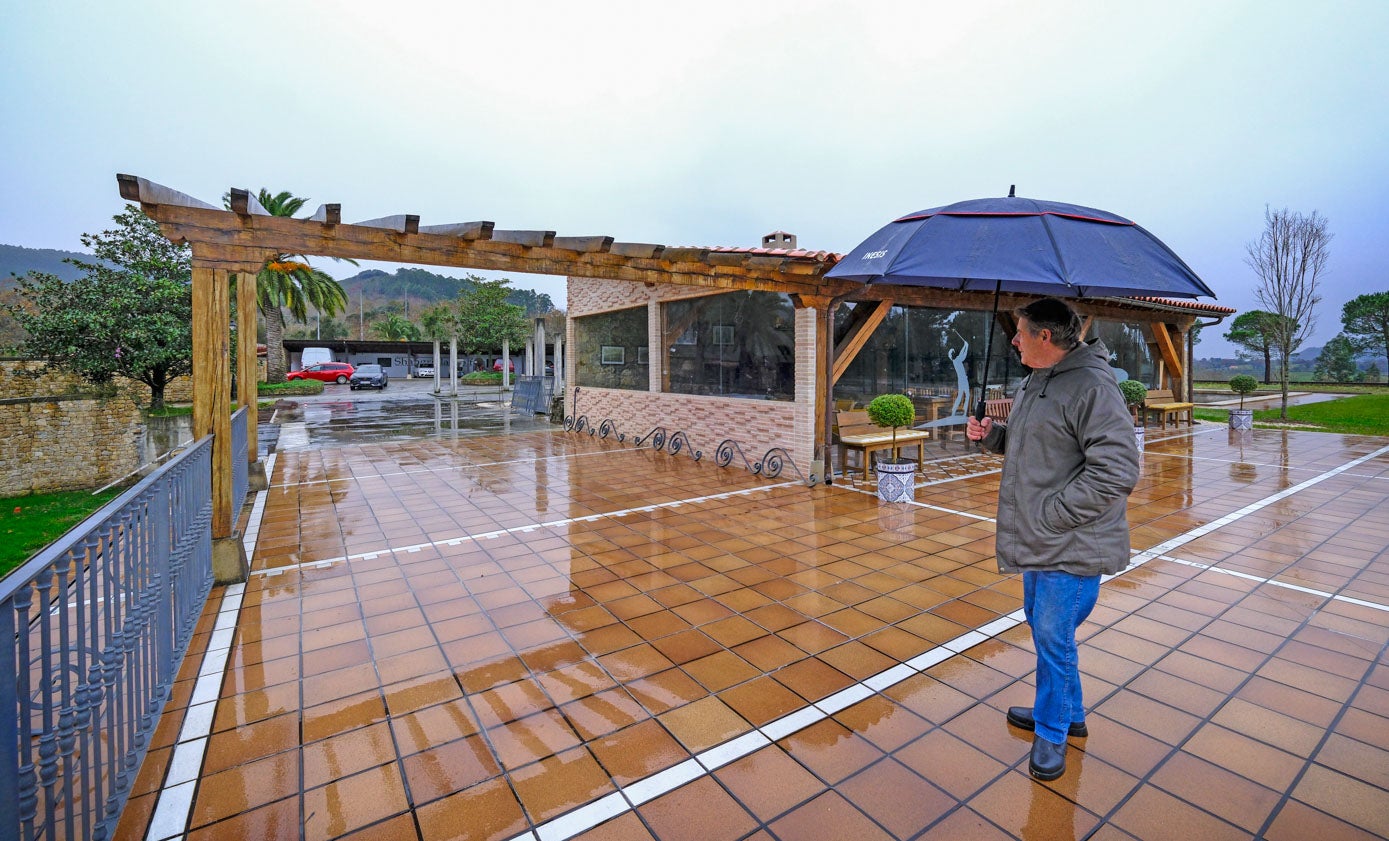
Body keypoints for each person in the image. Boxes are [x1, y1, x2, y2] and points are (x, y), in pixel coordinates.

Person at [966, 298, 1140, 781]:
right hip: (1042, 541)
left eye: (1021, 332)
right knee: (1048, 634)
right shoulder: (1035, 382)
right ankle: (1071, 714)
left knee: (1052, 637)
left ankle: (1052, 732)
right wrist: (993, 436)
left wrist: (1052, 515)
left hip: (1071, 543)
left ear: (1046, 337)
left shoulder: (1093, 386)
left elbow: (1117, 471)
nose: (1014, 340)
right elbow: (1038, 444)